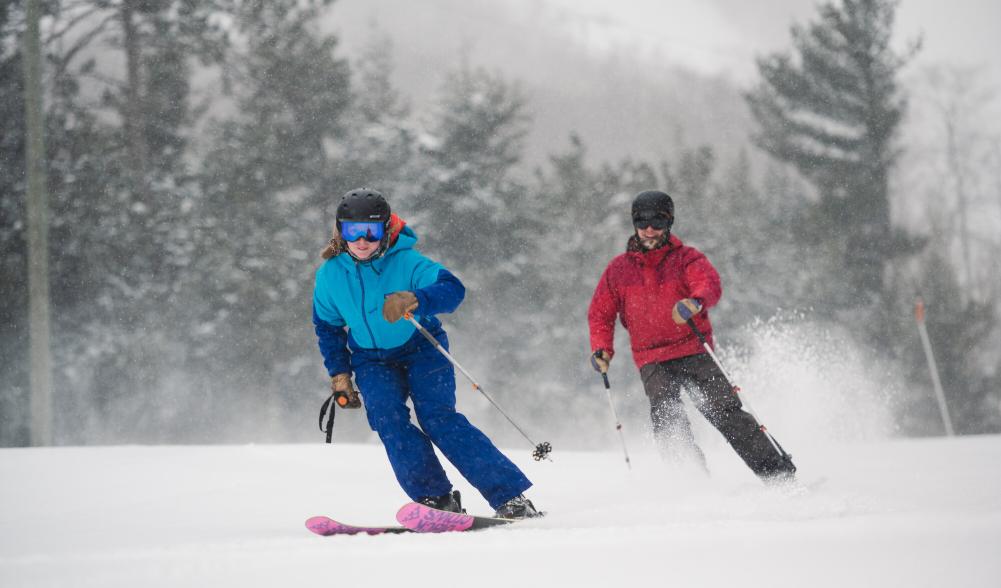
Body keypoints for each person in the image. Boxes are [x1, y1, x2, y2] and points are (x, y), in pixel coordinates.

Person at [312, 188, 541, 518]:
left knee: (438, 419)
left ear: (386, 230)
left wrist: (416, 299)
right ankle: (435, 497)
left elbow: (453, 289)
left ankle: (510, 496)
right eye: (352, 231)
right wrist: (340, 373)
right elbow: (328, 327)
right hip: (371, 359)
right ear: (340, 231)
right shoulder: (330, 275)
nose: (361, 241)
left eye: (371, 232)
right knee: (388, 420)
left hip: (421, 350)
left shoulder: (407, 261)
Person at [587, 190, 796, 481]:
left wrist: (695, 301)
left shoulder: (686, 259)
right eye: (642, 221)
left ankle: (778, 475)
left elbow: (709, 284)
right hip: (652, 358)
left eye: (657, 222)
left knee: (725, 412)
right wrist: (602, 349)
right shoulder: (618, 271)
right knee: (667, 418)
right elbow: (600, 314)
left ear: (669, 222)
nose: (649, 229)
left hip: (694, 350)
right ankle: (691, 482)